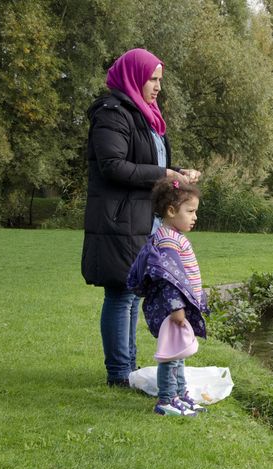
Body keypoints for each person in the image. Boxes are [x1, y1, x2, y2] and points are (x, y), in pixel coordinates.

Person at [81, 48, 201, 387]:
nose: (158, 86)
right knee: (120, 293)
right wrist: (164, 171)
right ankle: (120, 374)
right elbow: (113, 166)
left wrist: (176, 174)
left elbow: (151, 167)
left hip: (144, 221)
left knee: (133, 293)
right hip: (119, 220)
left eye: (160, 80)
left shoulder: (148, 115)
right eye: (152, 79)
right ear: (134, 77)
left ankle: (129, 367)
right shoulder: (112, 113)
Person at [127, 178, 208, 416]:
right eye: (190, 211)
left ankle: (180, 394)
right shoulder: (167, 241)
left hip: (176, 309)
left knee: (179, 353)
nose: (194, 217)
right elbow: (168, 280)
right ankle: (166, 400)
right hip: (171, 311)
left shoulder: (173, 236)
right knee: (170, 356)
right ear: (171, 211)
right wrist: (176, 309)